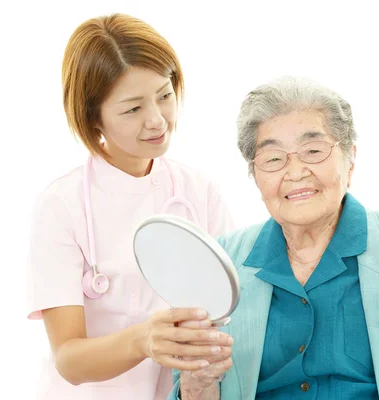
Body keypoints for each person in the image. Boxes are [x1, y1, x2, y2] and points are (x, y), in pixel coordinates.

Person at [171, 76, 379, 399]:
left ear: (351, 159)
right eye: (273, 158)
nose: (295, 171)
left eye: (313, 151)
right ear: (255, 175)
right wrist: (198, 383)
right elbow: (194, 388)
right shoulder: (225, 260)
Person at [26, 13, 234, 399]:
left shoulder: (199, 191)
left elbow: (232, 307)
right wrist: (144, 340)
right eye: (132, 109)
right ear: (93, 119)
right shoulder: (61, 206)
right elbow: (68, 359)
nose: (157, 120)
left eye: (165, 95)